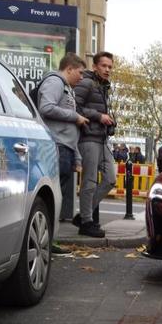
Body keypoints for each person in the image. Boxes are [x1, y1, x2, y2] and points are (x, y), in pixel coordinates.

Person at [37, 52, 89, 254]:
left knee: (57, 197)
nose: (82, 77)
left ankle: (49, 240)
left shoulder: (68, 88)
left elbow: (70, 130)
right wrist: (75, 116)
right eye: (80, 72)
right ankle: (48, 241)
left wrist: (76, 157)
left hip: (64, 148)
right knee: (53, 197)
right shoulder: (55, 82)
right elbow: (46, 107)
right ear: (69, 69)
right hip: (56, 147)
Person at [72, 51, 116, 238]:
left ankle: (82, 216)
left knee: (110, 178)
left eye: (110, 67)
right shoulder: (86, 82)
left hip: (102, 138)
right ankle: (87, 222)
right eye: (104, 66)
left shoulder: (102, 87)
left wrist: (109, 120)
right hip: (89, 137)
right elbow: (75, 107)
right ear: (95, 66)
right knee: (89, 181)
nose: (107, 70)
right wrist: (99, 116)